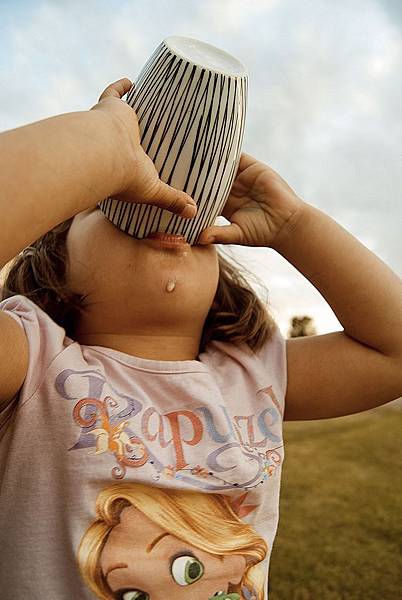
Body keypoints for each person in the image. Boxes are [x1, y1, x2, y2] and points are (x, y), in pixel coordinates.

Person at [0, 77, 400, 600]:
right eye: (107, 202)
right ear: (56, 264)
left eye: (192, 210)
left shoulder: (253, 374)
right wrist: (102, 146)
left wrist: (293, 224)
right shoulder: (33, 362)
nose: (161, 201)